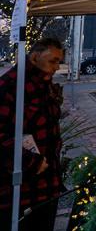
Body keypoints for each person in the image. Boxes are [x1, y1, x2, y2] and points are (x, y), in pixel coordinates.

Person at [0, 37, 65, 230]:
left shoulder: (45, 85)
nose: (57, 67)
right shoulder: (10, 86)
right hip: (20, 193)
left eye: (59, 62)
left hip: (47, 188)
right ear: (35, 57)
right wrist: (32, 162)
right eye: (53, 61)